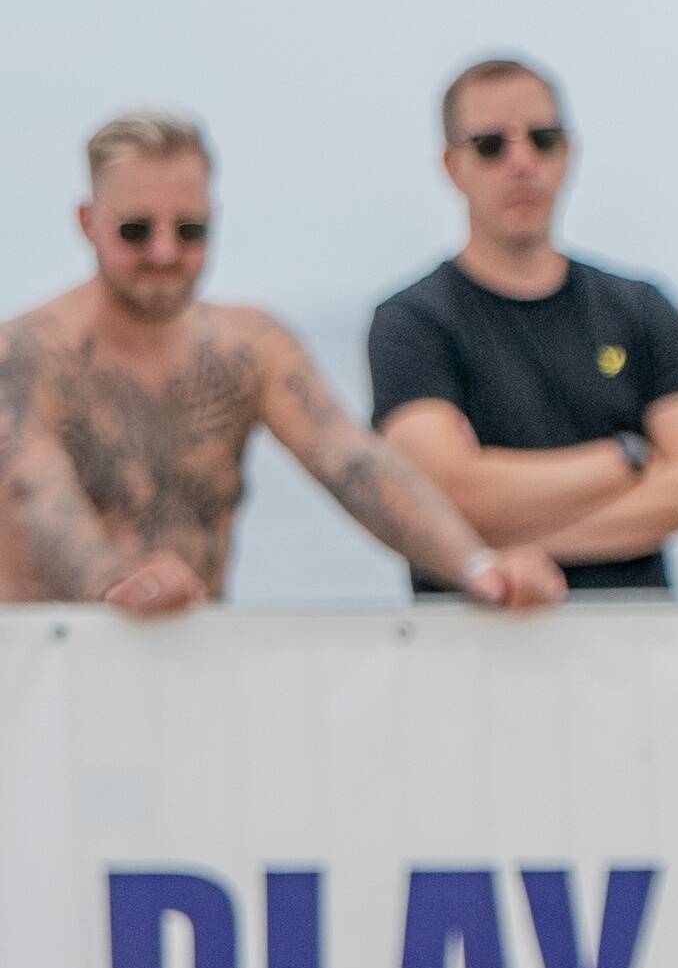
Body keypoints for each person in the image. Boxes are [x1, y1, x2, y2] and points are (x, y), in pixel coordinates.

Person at [2, 113, 561, 618]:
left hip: (188, 664)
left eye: (190, 231)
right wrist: (116, 584)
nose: (165, 252)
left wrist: (477, 567)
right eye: (136, 231)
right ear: (87, 222)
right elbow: (36, 492)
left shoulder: (247, 348)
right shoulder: (29, 353)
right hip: (53, 669)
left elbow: (352, 463)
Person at [363, 54, 678, 594]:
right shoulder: (412, 323)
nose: (521, 163)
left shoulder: (640, 307)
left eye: (542, 139)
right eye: (491, 145)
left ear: (570, 153)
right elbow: (444, 492)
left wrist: (507, 543)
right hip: (474, 657)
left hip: (636, 652)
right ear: (452, 167)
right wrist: (627, 457)